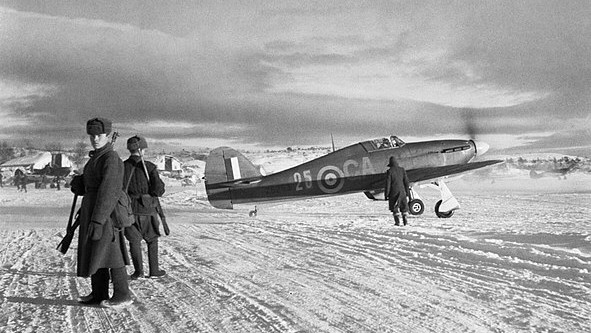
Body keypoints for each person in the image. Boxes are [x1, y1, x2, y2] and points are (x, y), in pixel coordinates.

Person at [70, 117, 132, 308]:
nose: (95, 138)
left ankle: (123, 294)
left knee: (111, 253)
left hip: (106, 214)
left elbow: (109, 191)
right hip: (93, 210)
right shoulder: (96, 158)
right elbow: (92, 185)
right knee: (96, 252)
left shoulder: (111, 159)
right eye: (92, 135)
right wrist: (79, 183)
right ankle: (99, 293)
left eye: (99, 135)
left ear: (107, 135)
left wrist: (98, 220)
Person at [123, 135, 166, 279]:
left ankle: (138, 272)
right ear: (142, 150)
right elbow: (159, 190)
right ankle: (154, 271)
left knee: (134, 241)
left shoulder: (122, 167)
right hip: (147, 210)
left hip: (128, 210)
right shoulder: (149, 166)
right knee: (152, 240)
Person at [385, 156, 411, 226]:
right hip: (402, 192)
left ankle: (397, 222)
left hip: (394, 193)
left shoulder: (390, 171)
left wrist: (386, 194)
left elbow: (388, 184)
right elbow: (406, 182)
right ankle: (405, 221)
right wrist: (407, 193)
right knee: (404, 207)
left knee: (395, 208)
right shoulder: (402, 170)